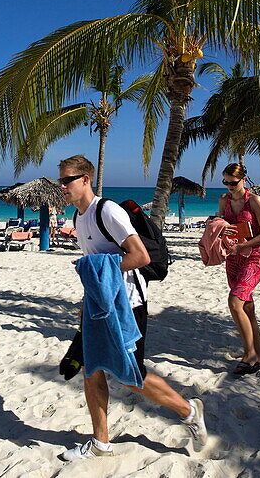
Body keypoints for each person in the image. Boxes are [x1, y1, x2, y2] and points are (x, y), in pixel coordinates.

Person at [56, 155, 207, 462]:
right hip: (100, 304)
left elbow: (140, 257)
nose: (62, 186)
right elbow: (97, 270)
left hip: (128, 303)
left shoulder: (106, 211)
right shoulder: (78, 218)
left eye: (67, 180)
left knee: (130, 376)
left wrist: (96, 270)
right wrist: (88, 300)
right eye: (60, 180)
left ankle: (189, 411)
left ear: (85, 179)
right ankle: (100, 442)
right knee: (92, 368)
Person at [218, 162, 260, 376]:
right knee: (247, 310)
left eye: (233, 183)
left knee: (235, 302)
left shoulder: (254, 201)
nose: (229, 187)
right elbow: (222, 224)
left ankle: (248, 355)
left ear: (243, 179)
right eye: (225, 182)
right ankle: (259, 358)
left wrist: (244, 244)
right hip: (233, 259)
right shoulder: (224, 200)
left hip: (253, 258)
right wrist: (216, 226)